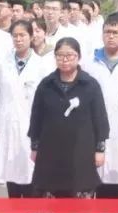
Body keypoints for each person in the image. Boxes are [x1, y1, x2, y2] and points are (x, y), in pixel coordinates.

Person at [26, 38, 108, 198]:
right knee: (52, 199)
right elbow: (36, 118)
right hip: (50, 151)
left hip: (81, 150)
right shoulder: (46, 85)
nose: (64, 60)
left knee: (79, 199)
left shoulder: (90, 85)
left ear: (79, 57)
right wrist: (34, 147)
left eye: (69, 55)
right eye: (60, 55)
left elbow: (100, 119)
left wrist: (100, 150)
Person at [0, 21, 47, 198]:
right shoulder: (2, 63)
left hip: (32, 125)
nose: (18, 39)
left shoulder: (41, 65)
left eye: (22, 35)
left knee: (31, 172)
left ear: (31, 37)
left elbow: (46, 100)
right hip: (7, 123)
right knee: (11, 172)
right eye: (15, 36)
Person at [82, 14, 118, 199]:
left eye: (116, 32)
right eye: (107, 32)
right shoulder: (89, 63)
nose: (111, 36)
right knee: (99, 184)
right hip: (96, 131)